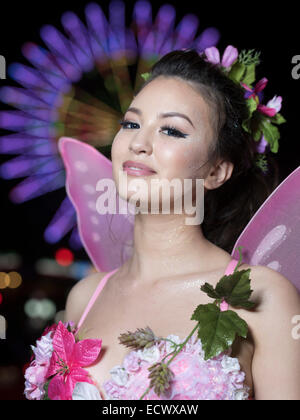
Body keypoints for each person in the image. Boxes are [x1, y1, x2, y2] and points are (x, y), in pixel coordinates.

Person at [64, 49, 300, 400]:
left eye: (171, 130)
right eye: (130, 124)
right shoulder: (84, 297)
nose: (139, 143)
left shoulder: (261, 295)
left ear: (217, 171)